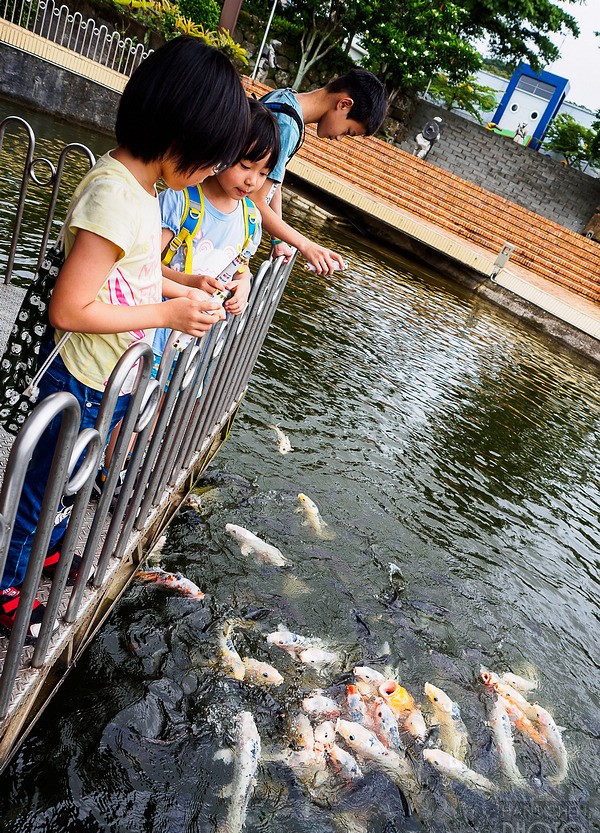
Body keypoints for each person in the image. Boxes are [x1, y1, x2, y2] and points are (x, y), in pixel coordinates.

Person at [0, 36, 250, 642]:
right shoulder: (115, 193)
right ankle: (10, 593)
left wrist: (177, 281)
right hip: (77, 377)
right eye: (211, 159)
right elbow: (70, 306)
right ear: (179, 133)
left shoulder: (144, 192)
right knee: (43, 489)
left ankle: (49, 559)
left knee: (70, 482)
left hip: (103, 377)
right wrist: (165, 315)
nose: (214, 172)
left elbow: (125, 271)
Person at [153, 98, 281, 364]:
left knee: (169, 397)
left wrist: (243, 286)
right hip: (154, 328)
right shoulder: (180, 200)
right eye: (245, 166)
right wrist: (189, 283)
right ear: (223, 149)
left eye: (263, 173)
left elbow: (240, 267)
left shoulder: (250, 220)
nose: (252, 180)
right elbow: (142, 265)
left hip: (195, 339)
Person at [253, 68, 388, 274]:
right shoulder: (287, 125)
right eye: (348, 131)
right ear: (344, 104)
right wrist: (305, 245)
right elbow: (253, 201)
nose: (340, 138)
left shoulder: (283, 98)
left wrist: (278, 239)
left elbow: (273, 183)